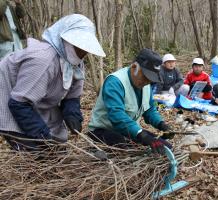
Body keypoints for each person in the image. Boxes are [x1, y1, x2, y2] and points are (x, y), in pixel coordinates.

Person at [0, 14, 106, 151]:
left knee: (57, 145)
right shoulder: (43, 59)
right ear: (65, 40)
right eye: (79, 46)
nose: (83, 52)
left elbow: (72, 96)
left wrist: (72, 116)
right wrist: (42, 138)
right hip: (8, 95)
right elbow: (19, 103)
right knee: (35, 150)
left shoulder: (77, 64)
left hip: (35, 100)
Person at [88, 49, 172, 155]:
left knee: (165, 147)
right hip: (103, 131)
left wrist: (161, 123)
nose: (147, 82)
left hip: (129, 131)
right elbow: (117, 116)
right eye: (145, 77)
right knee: (132, 149)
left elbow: (150, 109)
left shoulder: (146, 85)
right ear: (134, 67)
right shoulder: (115, 82)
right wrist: (141, 135)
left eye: (150, 79)